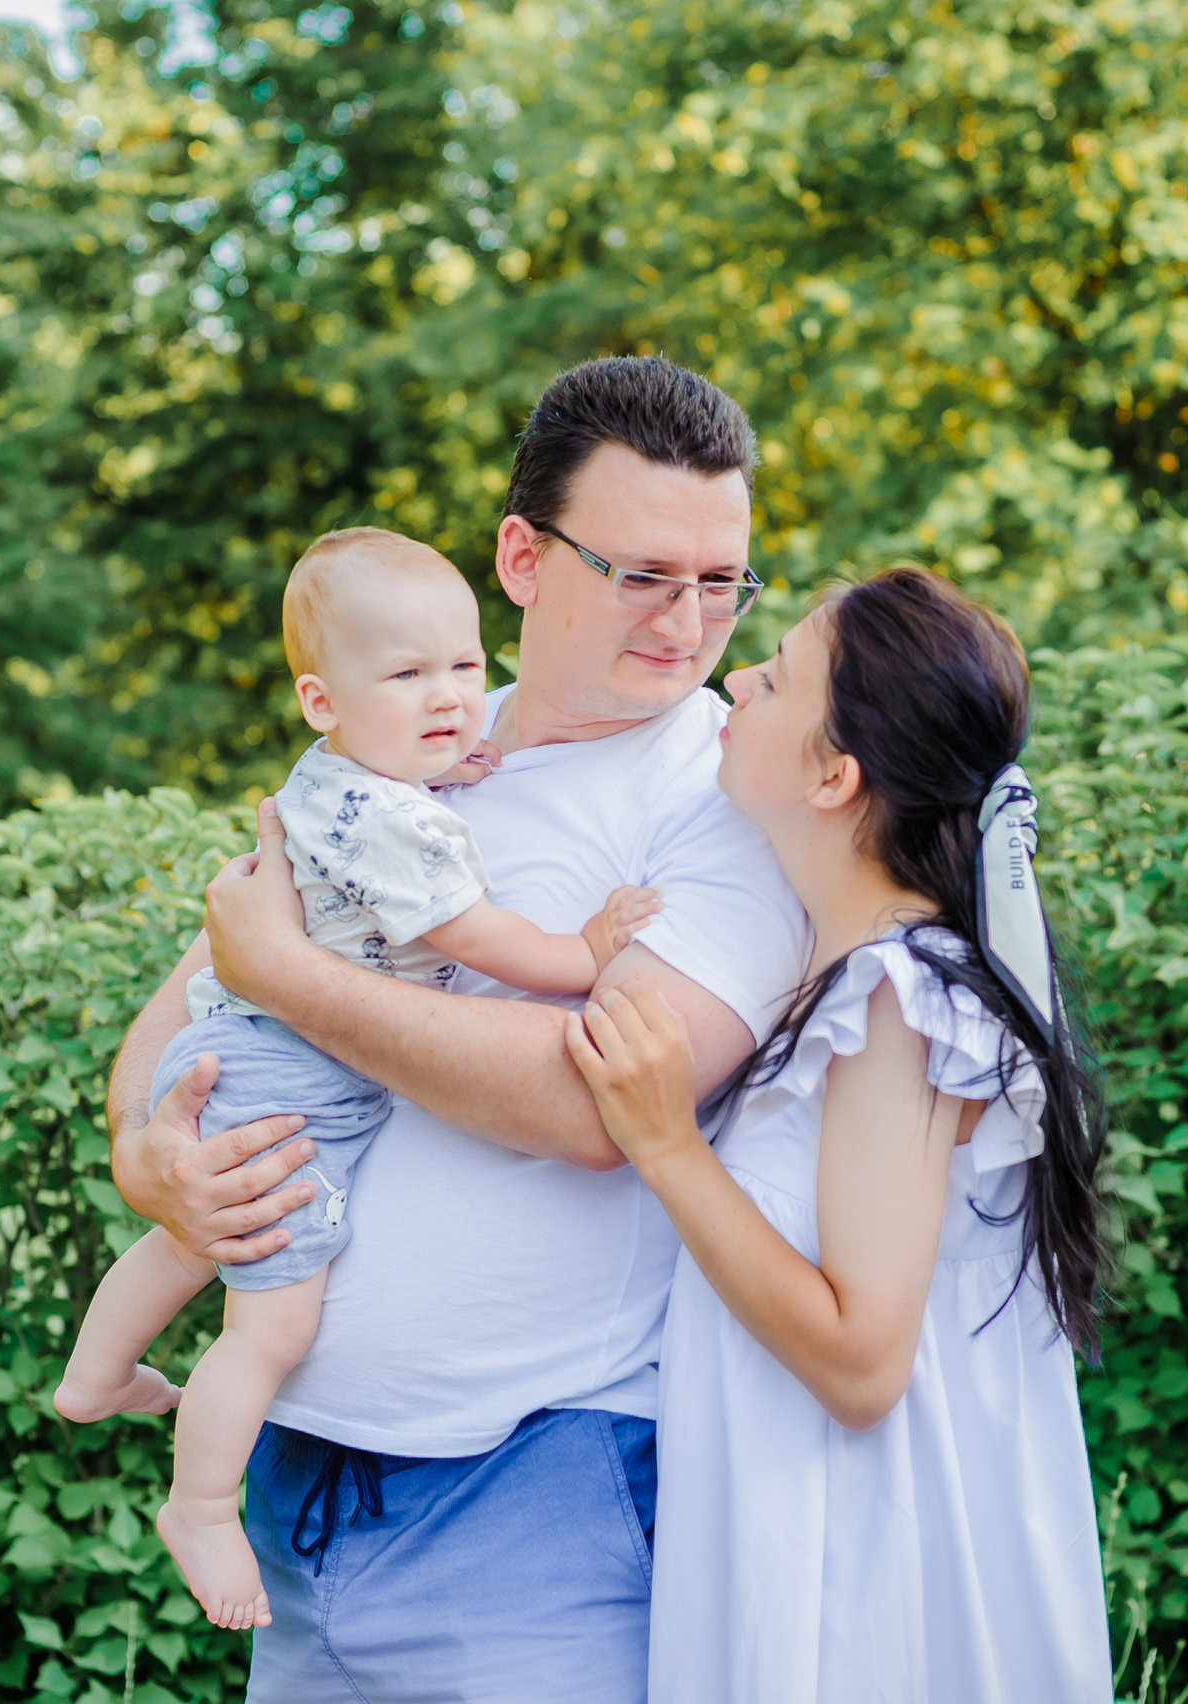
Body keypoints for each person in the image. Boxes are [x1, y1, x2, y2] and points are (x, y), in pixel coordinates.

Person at [98, 357, 810, 1702]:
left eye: (725, 581)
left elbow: (595, 1107)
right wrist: (154, 1159)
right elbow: (194, 1002)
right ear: (524, 558)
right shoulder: (405, 741)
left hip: (532, 1502)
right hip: (302, 1496)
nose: (690, 620)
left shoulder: (725, 800)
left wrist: (301, 983)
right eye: (646, 574)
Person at [50, 527, 661, 1631]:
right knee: (268, 1326)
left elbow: (407, 789)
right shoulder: (386, 823)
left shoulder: (345, 782)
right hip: (289, 1076)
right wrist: (587, 950)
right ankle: (197, 1505)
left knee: (199, 1236)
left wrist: (448, 756)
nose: (450, 699)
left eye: (466, 668)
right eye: (407, 676)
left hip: (238, 1050)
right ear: (321, 702)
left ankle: (95, 1376)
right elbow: (474, 935)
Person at [563, 569, 1115, 1702]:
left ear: (834, 776)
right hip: (799, 1520)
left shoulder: (899, 1003)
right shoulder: (856, 980)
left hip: (859, 1569)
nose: (735, 676)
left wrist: (668, 1146)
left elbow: (863, 1362)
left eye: (776, 677)